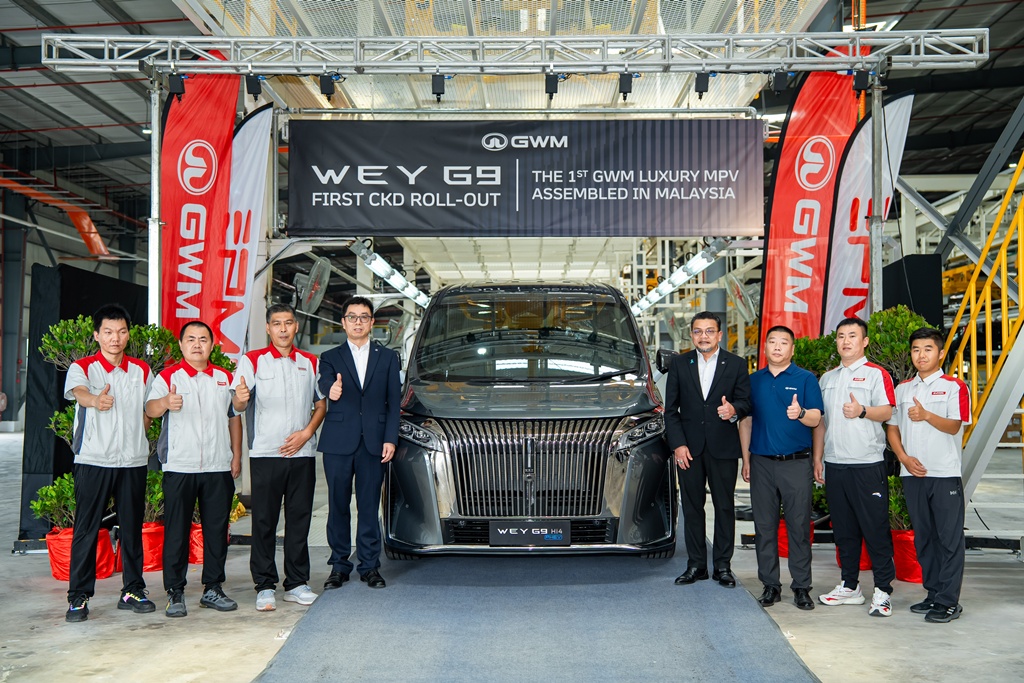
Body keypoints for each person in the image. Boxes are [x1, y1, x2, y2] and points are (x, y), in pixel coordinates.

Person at [63, 303, 155, 622]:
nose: (115, 338)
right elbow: (79, 393)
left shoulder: (142, 370)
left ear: (128, 334)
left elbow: (150, 407)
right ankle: (78, 596)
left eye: (121, 331)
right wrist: (95, 400)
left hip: (132, 462)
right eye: (108, 332)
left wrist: (141, 431)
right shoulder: (83, 367)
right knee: (86, 528)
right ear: (97, 335)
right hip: (93, 459)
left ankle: (132, 590)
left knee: (131, 528)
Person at [145, 321, 244, 617]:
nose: (197, 344)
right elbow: (149, 409)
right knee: (176, 531)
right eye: (191, 339)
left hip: (217, 466)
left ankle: (213, 588)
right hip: (180, 466)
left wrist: (236, 456)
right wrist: (165, 402)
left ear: (212, 345)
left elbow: (234, 417)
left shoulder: (224, 377)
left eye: (203, 339)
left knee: (216, 531)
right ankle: (175, 592)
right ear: (181, 345)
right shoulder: (168, 376)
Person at [233, 304, 326, 612]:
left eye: (288, 323)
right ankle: (264, 586)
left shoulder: (310, 362)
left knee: (299, 520)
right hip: (266, 454)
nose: (283, 329)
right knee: (264, 520)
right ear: (268, 328)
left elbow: (320, 405)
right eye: (277, 323)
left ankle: (297, 584)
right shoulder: (252, 361)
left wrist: (306, 433)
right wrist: (240, 399)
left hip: (302, 454)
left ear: (296, 326)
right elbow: (238, 405)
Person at [886, 327, 970, 624]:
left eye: (928, 349)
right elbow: (892, 428)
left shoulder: (954, 387)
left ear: (941, 353)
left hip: (944, 474)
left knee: (949, 540)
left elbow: (955, 425)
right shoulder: (903, 389)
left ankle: (949, 601)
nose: (921, 355)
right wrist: (903, 458)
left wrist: (926, 415)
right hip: (912, 474)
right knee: (924, 538)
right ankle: (934, 593)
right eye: (916, 349)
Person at [814, 317, 897, 617]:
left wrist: (862, 410)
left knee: (875, 530)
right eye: (840, 336)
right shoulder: (827, 379)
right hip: (835, 466)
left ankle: (883, 591)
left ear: (865, 341)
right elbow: (821, 423)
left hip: (867, 466)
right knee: (844, 531)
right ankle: (850, 586)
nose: (846, 341)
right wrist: (818, 458)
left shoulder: (876, 374)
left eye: (852, 335)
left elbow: (887, 411)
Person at [317, 297, 402, 590]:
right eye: (352, 317)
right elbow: (324, 382)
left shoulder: (387, 357)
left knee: (368, 506)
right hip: (338, 443)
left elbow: (394, 403)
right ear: (343, 323)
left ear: (372, 322)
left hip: (375, 443)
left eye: (363, 317)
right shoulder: (330, 356)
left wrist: (390, 438)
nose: (357, 322)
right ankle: (339, 566)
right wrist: (331, 389)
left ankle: (369, 566)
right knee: (338, 506)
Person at [664, 311, 751, 588]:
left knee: (724, 507)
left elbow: (746, 402)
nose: (704, 336)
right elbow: (670, 410)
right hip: (688, 450)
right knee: (692, 508)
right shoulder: (680, 364)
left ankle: (723, 566)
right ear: (691, 335)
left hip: (723, 447)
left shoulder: (736, 364)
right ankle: (696, 565)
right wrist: (678, 445)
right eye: (698, 331)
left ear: (719, 334)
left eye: (709, 331)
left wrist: (734, 409)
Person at [741, 325, 823, 611]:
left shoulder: (805, 379)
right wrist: (746, 459)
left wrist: (800, 413)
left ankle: (801, 587)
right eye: (772, 341)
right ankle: (770, 585)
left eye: (783, 342)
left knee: (799, 526)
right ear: (764, 347)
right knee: (764, 527)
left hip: (796, 463)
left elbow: (816, 419)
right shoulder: (753, 381)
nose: (777, 346)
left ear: (792, 349)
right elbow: (746, 422)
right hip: (761, 463)